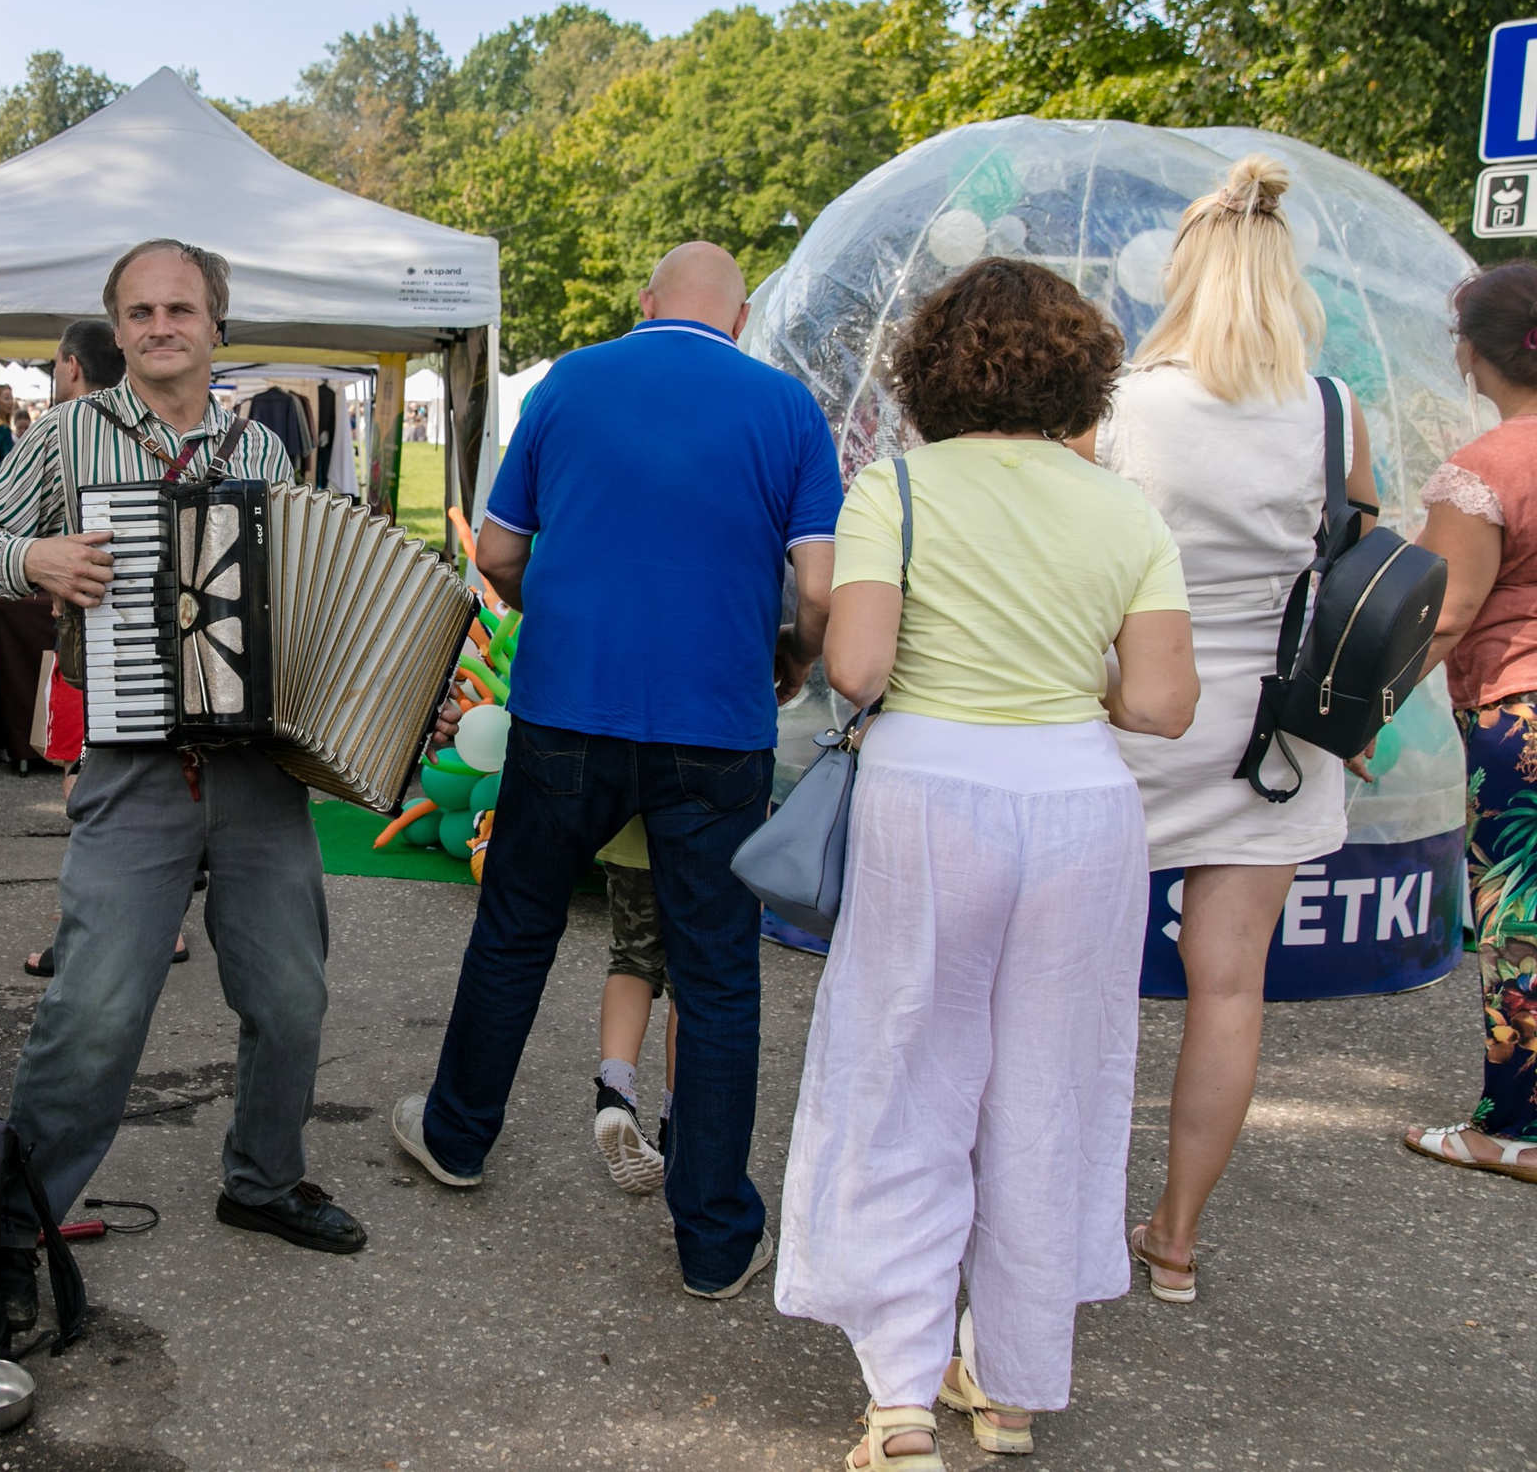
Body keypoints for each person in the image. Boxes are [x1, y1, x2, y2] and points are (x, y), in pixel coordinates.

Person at [775, 257, 1198, 1470]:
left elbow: (855, 669)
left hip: (927, 796)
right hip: (1078, 803)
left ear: (932, 367)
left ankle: (899, 1399)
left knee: (902, 1073)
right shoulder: (1121, 509)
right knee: (1050, 1090)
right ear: (1081, 372)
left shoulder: (891, 490)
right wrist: (1081, 682)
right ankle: (1008, 1386)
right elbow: (1165, 703)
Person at [390, 242, 839, 1307]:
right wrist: (789, 655)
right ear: (738, 322)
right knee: (719, 974)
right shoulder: (785, 407)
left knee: (516, 929)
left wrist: (571, 605)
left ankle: (456, 1136)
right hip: (716, 725)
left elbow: (495, 557)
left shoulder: (569, 383)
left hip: (563, 710)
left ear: (644, 305)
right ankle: (715, 1238)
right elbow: (817, 589)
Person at [0, 239, 355, 1327]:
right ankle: (15, 1230)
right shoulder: (67, 433)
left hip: (258, 768)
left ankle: (262, 1182)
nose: (160, 326)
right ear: (116, 327)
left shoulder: (262, 447)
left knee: (290, 995)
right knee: (95, 1008)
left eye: (180, 308)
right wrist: (34, 564)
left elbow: (300, 587)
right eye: (139, 311)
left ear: (216, 323)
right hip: (132, 762)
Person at [1093, 155, 1381, 1301]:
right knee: (1228, 990)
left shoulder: (1121, 403)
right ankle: (1173, 1238)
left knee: (1083, 983)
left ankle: (1053, 1218)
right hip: (1277, 729)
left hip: (1132, 715)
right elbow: (1357, 550)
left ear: (1184, 275)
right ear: (1285, 278)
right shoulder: (1330, 408)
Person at [1402, 259, 1537, 1187]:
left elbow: (1444, 613)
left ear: (1473, 357)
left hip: (1519, 714)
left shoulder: (1483, 471)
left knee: (1519, 920)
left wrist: (1361, 709)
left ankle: (1514, 1127)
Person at [18, 315, 186, 979]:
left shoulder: (64, 432)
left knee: (85, 783)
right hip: (165, 650)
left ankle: (82, 927)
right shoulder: (140, 429)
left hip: (91, 646)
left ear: (70, 364)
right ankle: (162, 923)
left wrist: (47, 561)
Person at [592, 817, 678, 1195]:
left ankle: (616, 1095)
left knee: (630, 960)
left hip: (629, 833)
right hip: (708, 826)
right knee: (694, 981)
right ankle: (677, 1125)